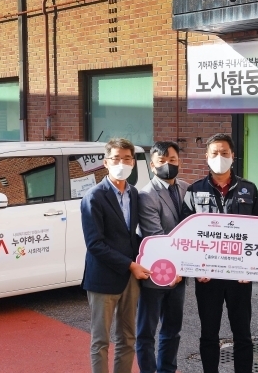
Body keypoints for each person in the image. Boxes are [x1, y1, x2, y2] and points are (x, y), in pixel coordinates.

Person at [181, 133, 258, 373]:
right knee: (209, 333)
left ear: (233, 156)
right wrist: (196, 269)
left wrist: (251, 269)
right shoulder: (194, 190)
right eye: (215, 153)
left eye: (224, 153)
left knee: (242, 334)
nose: (220, 157)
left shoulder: (249, 189)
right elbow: (186, 234)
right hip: (208, 277)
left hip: (240, 276)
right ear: (207, 157)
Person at [80, 138, 151, 373]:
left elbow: (133, 236)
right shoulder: (94, 197)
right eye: (116, 158)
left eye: (127, 159)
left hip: (130, 279)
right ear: (106, 162)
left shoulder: (134, 194)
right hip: (103, 278)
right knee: (101, 340)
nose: (122, 163)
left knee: (127, 337)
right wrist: (131, 265)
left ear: (133, 162)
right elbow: (95, 244)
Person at [136, 141, 190, 373]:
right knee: (146, 332)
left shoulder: (187, 189)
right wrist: (173, 268)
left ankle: (167, 369)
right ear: (152, 165)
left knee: (172, 329)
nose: (168, 164)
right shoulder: (147, 195)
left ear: (179, 162)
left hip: (180, 275)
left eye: (172, 160)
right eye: (162, 160)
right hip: (154, 274)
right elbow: (155, 236)